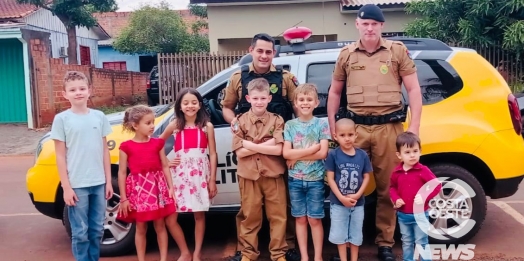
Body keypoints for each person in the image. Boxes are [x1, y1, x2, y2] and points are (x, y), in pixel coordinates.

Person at [327, 4, 423, 261]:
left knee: (387, 187)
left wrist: (414, 127)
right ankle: (346, 243)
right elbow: (335, 92)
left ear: (382, 26)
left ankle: (385, 244)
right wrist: (332, 125)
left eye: (374, 24)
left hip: (388, 128)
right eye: (364, 23)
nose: (369, 28)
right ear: (357, 25)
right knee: (348, 186)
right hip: (353, 130)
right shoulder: (346, 55)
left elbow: (414, 90)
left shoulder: (397, 52)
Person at [220, 33, 301, 261]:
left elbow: (299, 109)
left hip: (279, 151)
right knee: (249, 212)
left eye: (268, 51)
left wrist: (291, 144)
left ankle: (285, 250)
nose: (264, 55)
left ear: (273, 53)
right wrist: (235, 122)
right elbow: (227, 107)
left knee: (282, 208)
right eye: (260, 51)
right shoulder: (238, 77)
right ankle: (246, 251)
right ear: (251, 50)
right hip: (251, 156)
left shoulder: (286, 78)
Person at [50, 71, 113, 261]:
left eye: (82, 88)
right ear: (65, 94)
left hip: (99, 182)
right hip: (77, 184)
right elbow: (60, 156)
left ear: (89, 91)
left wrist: (109, 182)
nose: (78, 93)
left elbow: (105, 151)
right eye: (73, 90)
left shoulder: (99, 116)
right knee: (80, 232)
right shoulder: (62, 119)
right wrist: (66, 187)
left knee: (96, 229)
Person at [232, 78, 288, 261]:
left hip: (273, 175)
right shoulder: (239, 121)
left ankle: (278, 253)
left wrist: (250, 144)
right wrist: (265, 144)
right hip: (248, 176)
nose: (259, 102)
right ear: (248, 98)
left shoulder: (277, 120)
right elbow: (239, 153)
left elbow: (279, 149)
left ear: (269, 99)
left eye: (263, 98)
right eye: (255, 98)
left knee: (278, 216)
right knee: (250, 216)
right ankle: (248, 253)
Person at [160, 87, 218, 261]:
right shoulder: (175, 126)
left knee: (199, 215)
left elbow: (213, 153)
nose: (190, 106)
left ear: (200, 105)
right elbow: (157, 145)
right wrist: (167, 163)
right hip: (180, 176)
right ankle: (184, 252)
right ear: (179, 106)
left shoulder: (207, 126)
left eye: (194, 102)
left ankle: (197, 253)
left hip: (200, 175)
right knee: (171, 218)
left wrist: (212, 179)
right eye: (185, 103)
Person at [117, 105, 176, 261]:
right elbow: (122, 173)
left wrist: (171, 188)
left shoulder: (157, 144)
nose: (152, 126)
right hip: (139, 192)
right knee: (141, 227)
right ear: (135, 125)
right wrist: (123, 198)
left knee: (160, 225)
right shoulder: (126, 147)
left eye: (153, 122)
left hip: (157, 190)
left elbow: (164, 165)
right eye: (148, 123)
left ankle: (163, 259)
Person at [282, 83, 330, 261]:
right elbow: (286, 153)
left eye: (309, 99)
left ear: (316, 102)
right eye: (301, 99)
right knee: (300, 219)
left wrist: (296, 156)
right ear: (295, 102)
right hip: (295, 180)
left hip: (315, 180)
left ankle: (317, 257)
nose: (305, 103)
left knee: (314, 220)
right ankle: (304, 257)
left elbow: (323, 153)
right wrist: (311, 150)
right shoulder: (290, 125)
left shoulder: (321, 124)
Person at [390, 132, 442, 261]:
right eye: (407, 152)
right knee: (407, 242)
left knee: (422, 241)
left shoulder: (422, 170)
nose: (412, 155)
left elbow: (436, 185)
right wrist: (396, 199)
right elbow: (392, 188)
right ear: (399, 155)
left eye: (415, 151)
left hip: (420, 214)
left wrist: (425, 196)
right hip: (403, 215)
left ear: (420, 151)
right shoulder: (397, 172)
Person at [325, 118, 372, 261]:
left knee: (356, 234)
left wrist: (358, 195)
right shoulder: (333, 154)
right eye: (343, 135)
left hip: (357, 203)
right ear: (335, 136)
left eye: (350, 135)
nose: (347, 139)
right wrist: (341, 198)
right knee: (340, 234)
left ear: (356, 135)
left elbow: (366, 177)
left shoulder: (362, 155)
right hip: (338, 203)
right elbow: (331, 179)